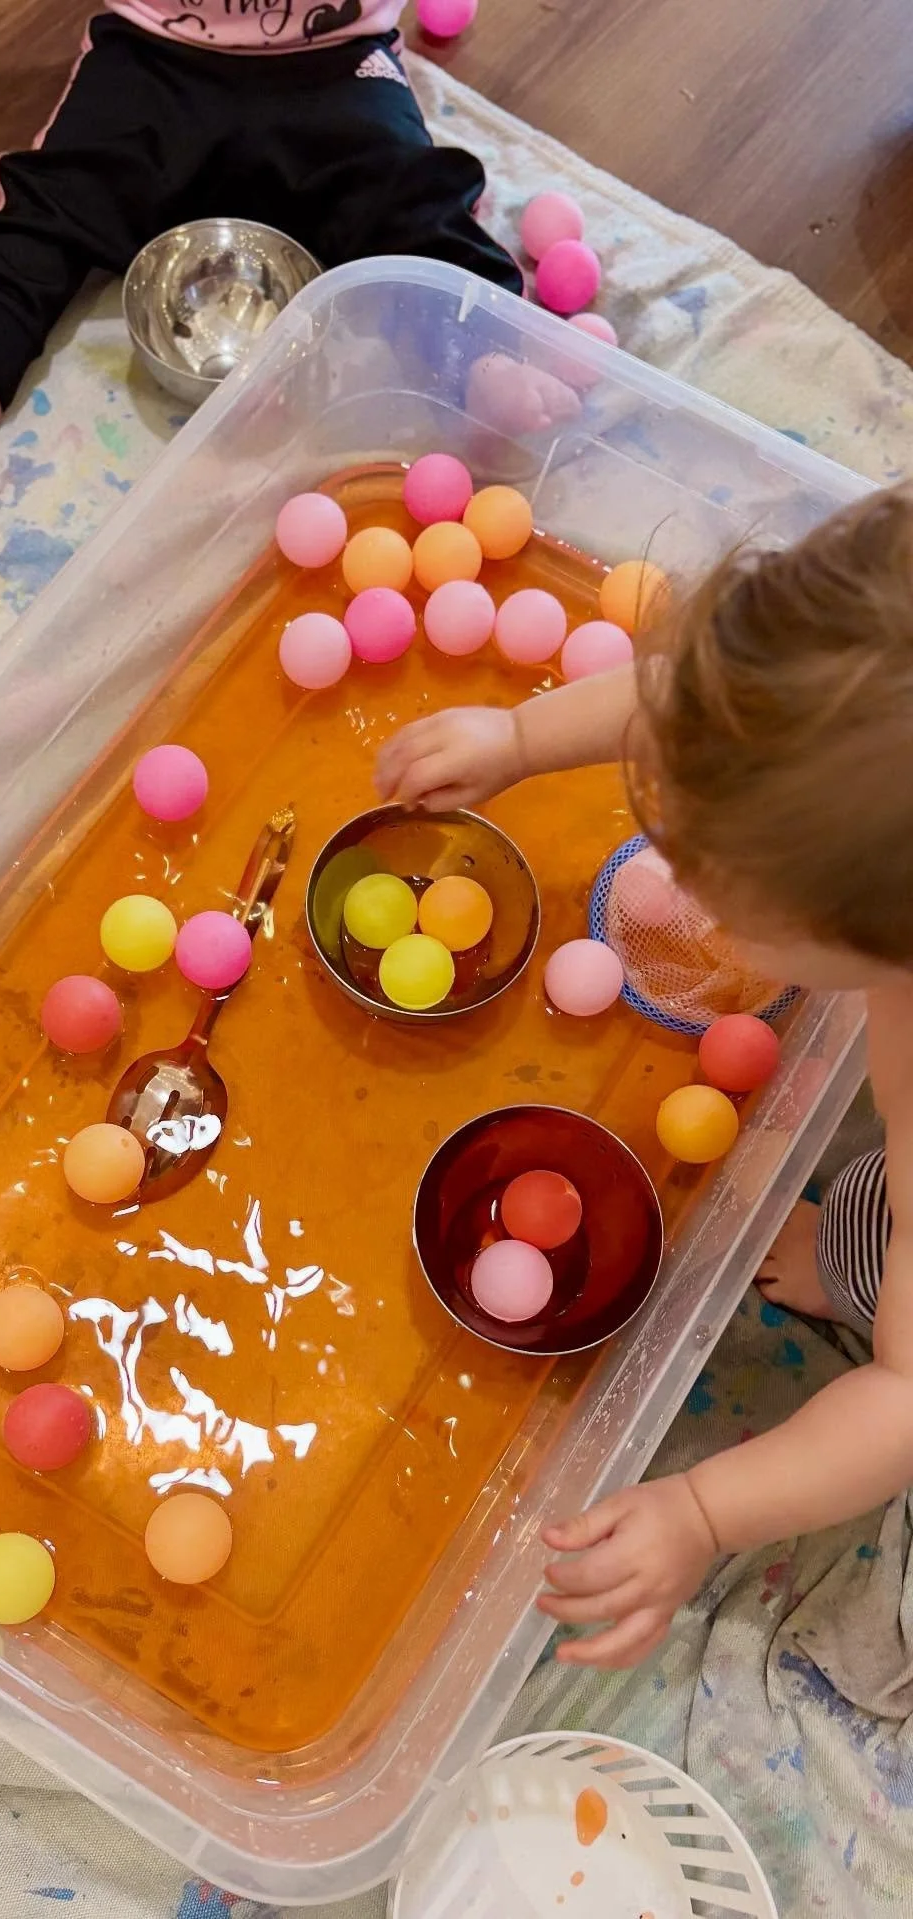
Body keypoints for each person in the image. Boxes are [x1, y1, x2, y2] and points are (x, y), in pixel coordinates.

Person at [375, 483, 913, 1670]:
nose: (685, 882)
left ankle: (856, 1258)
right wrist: (518, 739)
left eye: (727, 891)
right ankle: (854, 1245)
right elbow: (693, 699)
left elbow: (905, 1400)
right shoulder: (843, 666)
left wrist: (706, 1510)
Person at [0, 2, 535, 435]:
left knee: (408, 193)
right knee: (51, 195)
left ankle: (483, 352)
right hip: (153, 55)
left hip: (334, 64)